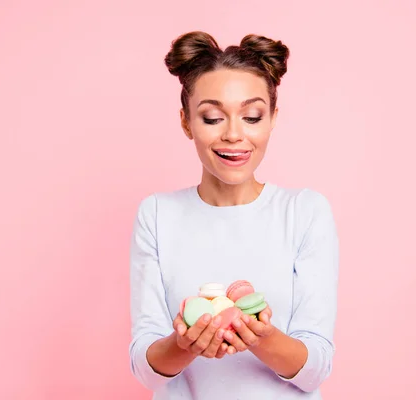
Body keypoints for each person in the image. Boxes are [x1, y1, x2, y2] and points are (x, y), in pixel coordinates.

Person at [128, 31, 339, 399]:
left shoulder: (304, 212)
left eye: (252, 116)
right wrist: (185, 345)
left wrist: (262, 338)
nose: (234, 134)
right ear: (186, 122)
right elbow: (146, 371)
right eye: (212, 118)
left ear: (272, 118)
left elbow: (316, 367)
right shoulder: (157, 214)